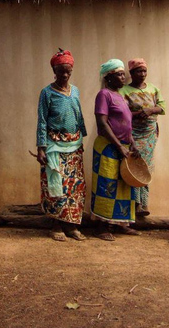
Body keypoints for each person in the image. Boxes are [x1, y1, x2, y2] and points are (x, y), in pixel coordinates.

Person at [36, 49, 88, 242]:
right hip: (54, 146)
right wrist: (41, 147)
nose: (64, 75)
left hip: (74, 145)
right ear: (54, 71)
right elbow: (42, 120)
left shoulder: (75, 91)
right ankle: (56, 225)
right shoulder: (47, 93)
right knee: (55, 186)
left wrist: (82, 135)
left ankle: (72, 225)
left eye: (68, 71)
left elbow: (78, 114)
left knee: (74, 187)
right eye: (61, 71)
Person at [92, 59, 140, 241]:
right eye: (119, 75)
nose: (123, 78)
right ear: (109, 77)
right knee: (107, 185)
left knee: (123, 186)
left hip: (124, 146)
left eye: (123, 74)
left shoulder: (119, 95)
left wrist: (132, 142)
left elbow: (126, 123)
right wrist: (119, 146)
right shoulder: (104, 95)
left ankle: (121, 224)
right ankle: (101, 227)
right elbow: (102, 123)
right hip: (108, 147)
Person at [120, 58, 165, 216]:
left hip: (150, 134)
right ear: (131, 73)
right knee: (133, 167)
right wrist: (139, 113)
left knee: (146, 167)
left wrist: (151, 110)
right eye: (139, 71)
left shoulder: (153, 89)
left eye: (144, 71)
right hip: (133, 134)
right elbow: (122, 114)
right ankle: (135, 204)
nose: (143, 74)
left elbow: (162, 107)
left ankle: (144, 205)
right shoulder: (124, 91)